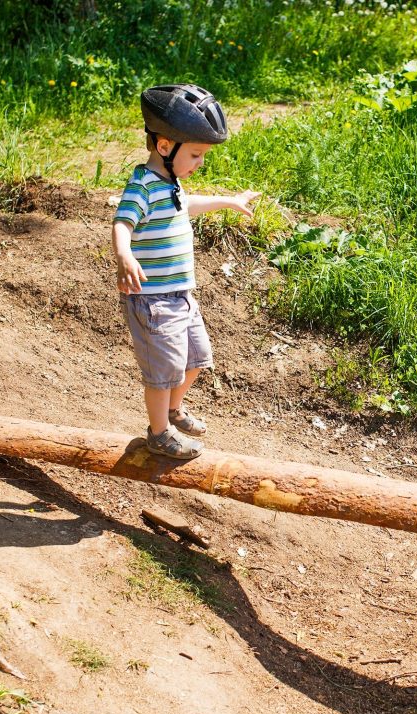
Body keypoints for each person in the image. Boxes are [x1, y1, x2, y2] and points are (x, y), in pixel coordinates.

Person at [112, 84, 259, 459]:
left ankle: (174, 411)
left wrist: (229, 200)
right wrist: (125, 256)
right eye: (195, 154)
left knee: (196, 360)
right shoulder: (141, 186)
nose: (200, 162)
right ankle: (159, 435)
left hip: (181, 297)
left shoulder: (170, 182)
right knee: (164, 374)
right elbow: (122, 224)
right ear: (165, 147)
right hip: (153, 300)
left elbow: (184, 207)